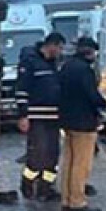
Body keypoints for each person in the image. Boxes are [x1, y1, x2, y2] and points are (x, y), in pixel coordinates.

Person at [58, 37, 106, 211]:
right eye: (94, 52)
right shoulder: (85, 70)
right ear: (89, 52)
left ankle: (66, 198)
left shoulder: (67, 67)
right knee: (81, 163)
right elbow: (92, 95)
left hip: (67, 120)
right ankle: (77, 201)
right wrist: (104, 104)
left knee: (68, 161)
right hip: (84, 122)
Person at [17, 32, 66, 201]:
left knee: (52, 154)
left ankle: (46, 188)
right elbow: (22, 89)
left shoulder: (54, 64)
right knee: (37, 154)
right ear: (51, 45)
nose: (60, 51)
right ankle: (28, 183)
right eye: (59, 47)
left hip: (54, 116)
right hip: (36, 116)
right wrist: (23, 115)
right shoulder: (31, 62)